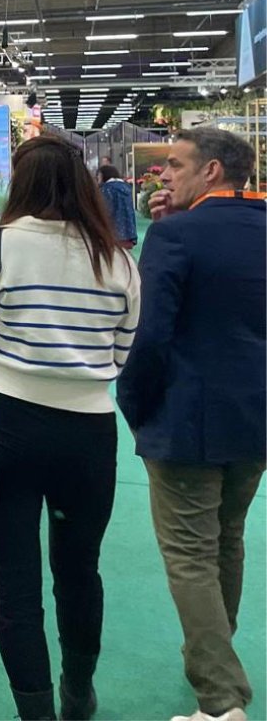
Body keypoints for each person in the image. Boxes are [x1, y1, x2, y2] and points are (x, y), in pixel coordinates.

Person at [0, 136, 141, 721]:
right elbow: (123, 347)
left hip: (9, 423)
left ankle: (33, 711)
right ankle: (78, 694)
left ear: (19, 182)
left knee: (14, 583)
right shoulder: (116, 257)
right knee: (79, 569)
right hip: (90, 431)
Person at [117, 129, 266, 721]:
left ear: (210, 172)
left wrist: (134, 403)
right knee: (226, 539)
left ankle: (222, 700)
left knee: (189, 553)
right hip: (255, 415)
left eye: (175, 166)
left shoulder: (174, 235)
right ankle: (213, 657)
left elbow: (149, 336)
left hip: (186, 419)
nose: (163, 176)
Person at [98, 164, 137, 249]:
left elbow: (106, 210)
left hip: (113, 233)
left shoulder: (106, 189)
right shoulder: (126, 187)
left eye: (99, 175)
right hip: (128, 232)